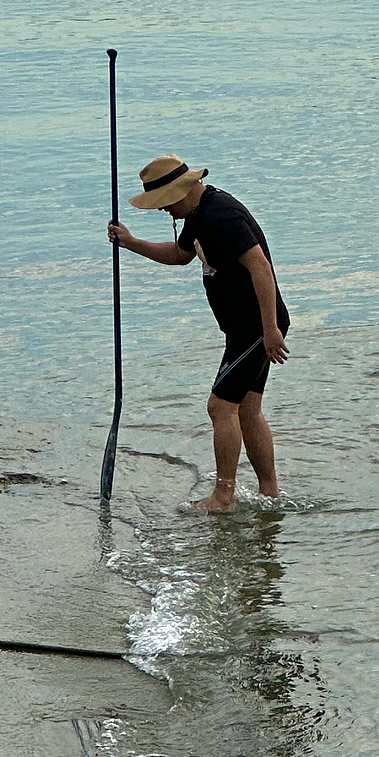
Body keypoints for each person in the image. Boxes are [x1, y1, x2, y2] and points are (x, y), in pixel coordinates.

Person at [108, 156, 290, 514]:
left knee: (219, 406)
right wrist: (130, 243)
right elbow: (179, 255)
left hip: (254, 326)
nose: (165, 211)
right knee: (247, 410)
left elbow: (260, 268)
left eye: (165, 202)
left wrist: (269, 330)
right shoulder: (197, 215)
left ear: (182, 190)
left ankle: (223, 497)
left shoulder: (220, 215)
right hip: (245, 327)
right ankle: (270, 494)